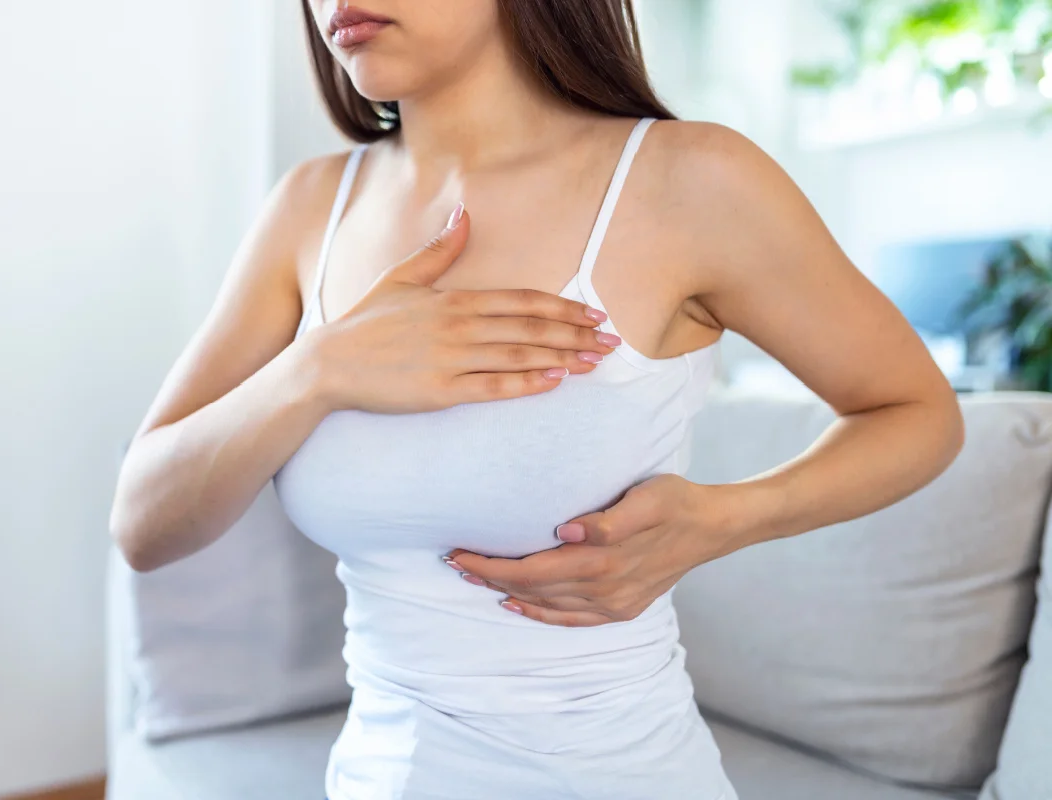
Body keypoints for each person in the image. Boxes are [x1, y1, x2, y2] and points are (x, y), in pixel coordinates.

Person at [108, 1, 966, 797]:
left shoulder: (693, 179)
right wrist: (317, 369)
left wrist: (727, 519)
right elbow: (146, 522)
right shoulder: (308, 209)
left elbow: (917, 413)